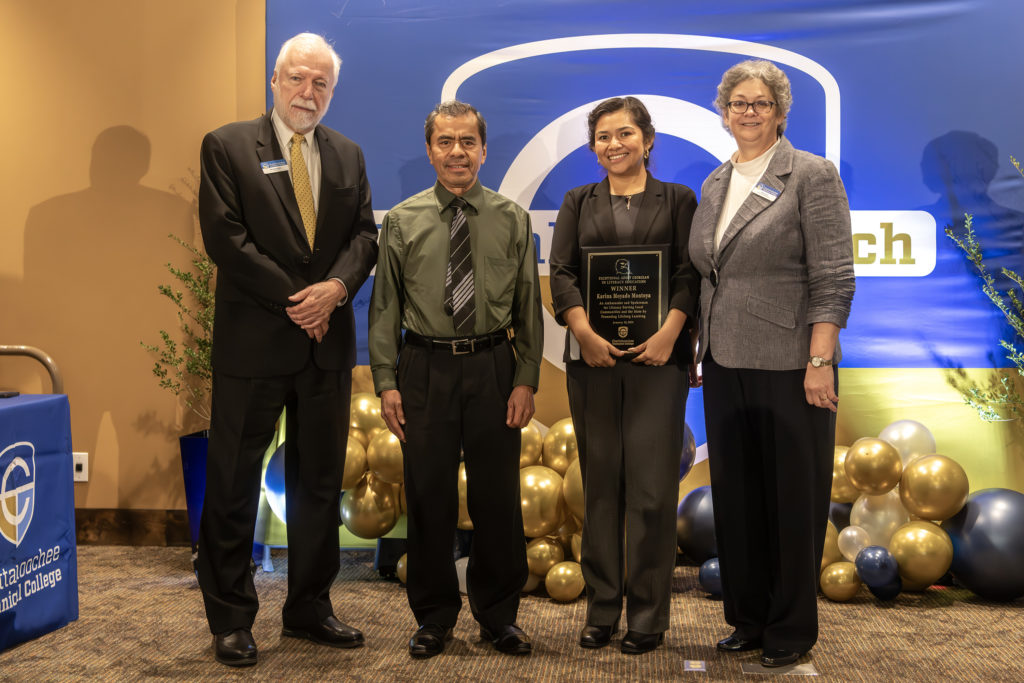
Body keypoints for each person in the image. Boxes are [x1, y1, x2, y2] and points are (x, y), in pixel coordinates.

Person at [196, 33, 379, 667]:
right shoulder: (227, 146)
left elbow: (363, 236)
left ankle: (308, 606)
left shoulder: (348, 154)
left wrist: (334, 290)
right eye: (298, 79)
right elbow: (226, 239)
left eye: (321, 83)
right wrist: (302, 300)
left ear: (332, 90)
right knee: (233, 481)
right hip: (256, 343)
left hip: (325, 345)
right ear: (276, 80)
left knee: (319, 483)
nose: (309, 92)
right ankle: (230, 616)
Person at [688, 60, 855, 668]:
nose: (748, 112)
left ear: (781, 112)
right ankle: (749, 618)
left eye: (760, 103)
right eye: (738, 102)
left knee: (792, 501)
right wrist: (698, 347)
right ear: (724, 111)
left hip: (792, 364)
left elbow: (834, 277)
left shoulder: (811, 175)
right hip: (725, 363)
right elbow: (710, 274)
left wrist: (819, 360)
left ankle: (789, 628)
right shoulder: (714, 182)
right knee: (737, 498)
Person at [369, 100, 543, 660]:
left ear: (484, 150)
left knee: (497, 497)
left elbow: (528, 309)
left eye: (467, 142)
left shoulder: (512, 219)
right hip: (424, 368)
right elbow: (384, 309)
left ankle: (499, 615)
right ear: (429, 150)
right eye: (445, 142)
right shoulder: (400, 221)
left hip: (493, 365)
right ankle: (434, 616)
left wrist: (526, 377)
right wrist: (386, 381)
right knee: (429, 497)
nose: (457, 152)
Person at [549, 96, 699, 655]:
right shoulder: (576, 201)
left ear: (648, 139)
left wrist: (670, 335)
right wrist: (584, 333)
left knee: (654, 494)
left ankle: (648, 616)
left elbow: (689, 272)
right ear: (593, 147)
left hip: (660, 363)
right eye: (604, 136)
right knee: (602, 490)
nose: (615, 144)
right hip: (593, 363)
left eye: (626, 134)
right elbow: (561, 271)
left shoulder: (680, 199)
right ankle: (603, 608)